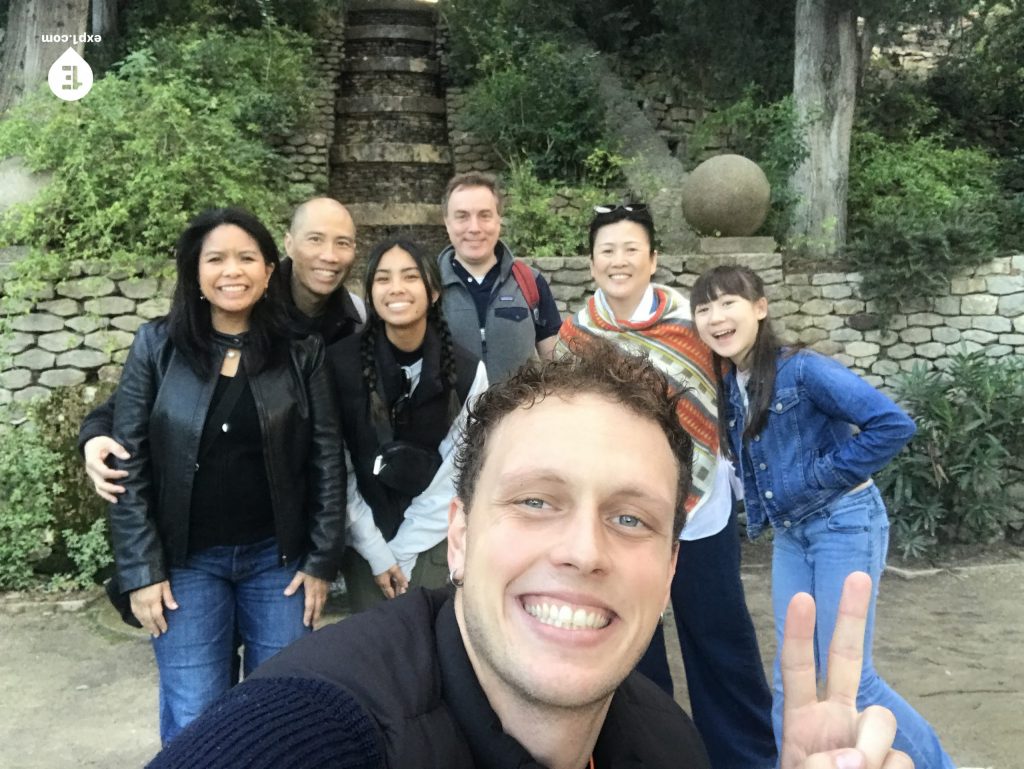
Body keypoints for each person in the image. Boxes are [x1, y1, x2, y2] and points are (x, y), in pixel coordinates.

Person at [147, 343, 912, 769]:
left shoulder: (668, 743)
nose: (583, 550)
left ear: (671, 570)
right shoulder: (318, 732)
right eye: (536, 501)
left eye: (630, 517)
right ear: (459, 537)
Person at [691, 264, 954, 769]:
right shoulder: (731, 383)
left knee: (853, 681)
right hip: (793, 535)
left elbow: (891, 424)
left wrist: (820, 476)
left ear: (760, 308)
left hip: (844, 522)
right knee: (791, 679)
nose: (716, 317)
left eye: (727, 303)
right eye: (704, 309)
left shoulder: (803, 370)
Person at [108, 207, 344, 744]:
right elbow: (128, 460)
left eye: (246, 258)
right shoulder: (157, 346)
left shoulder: (301, 351)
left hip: (278, 564)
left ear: (269, 270)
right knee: (196, 717)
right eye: (215, 259)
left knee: (279, 711)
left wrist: (321, 561)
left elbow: (327, 459)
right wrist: (141, 570)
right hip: (184, 566)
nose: (232, 271)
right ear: (195, 273)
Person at [559, 203, 776, 768]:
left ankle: (746, 758)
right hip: (623, 515)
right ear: (592, 262)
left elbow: (737, 385)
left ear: (653, 258)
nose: (619, 260)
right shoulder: (578, 334)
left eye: (631, 248)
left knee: (720, 640)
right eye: (607, 250)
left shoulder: (690, 321)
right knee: (632, 649)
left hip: (701, 510)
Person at [79, 196, 365, 504]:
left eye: (343, 243)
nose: (329, 255)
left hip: (320, 496)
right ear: (289, 244)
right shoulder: (238, 300)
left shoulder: (358, 319)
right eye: (315, 239)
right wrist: (95, 435)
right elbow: (156, 389)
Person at [326, 237, 487, 612]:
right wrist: (377, 551)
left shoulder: (467, 371)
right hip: (364, 538)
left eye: (410, 277)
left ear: (433, 291)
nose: (396, 288)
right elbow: (335, 465)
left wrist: (404, 548)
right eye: (383, 278)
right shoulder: (337, 365)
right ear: (370, 293)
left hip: (435, 537)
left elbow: (460, 467)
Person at [437, 172, 563, 382]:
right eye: (462, 216)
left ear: (499, 220)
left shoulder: (530, 282)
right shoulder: (428, 287)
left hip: (519, 404)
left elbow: (556, 370)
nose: (474, 228)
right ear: (447, 222)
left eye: (484, 215)